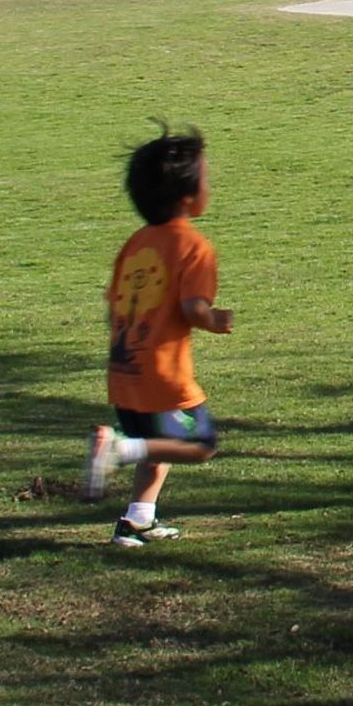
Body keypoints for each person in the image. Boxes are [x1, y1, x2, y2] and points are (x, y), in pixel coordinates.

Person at [86, 126, 233, 545]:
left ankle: (135, 521)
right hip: (164, 376)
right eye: (207, 178)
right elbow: (192, 308)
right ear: (188, 195)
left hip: (123, 371)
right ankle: (118, 449)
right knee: (200, 444)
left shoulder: (135, 244)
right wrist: (214, 320)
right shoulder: (193, 247)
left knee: (156, 446)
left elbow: (113, 301)